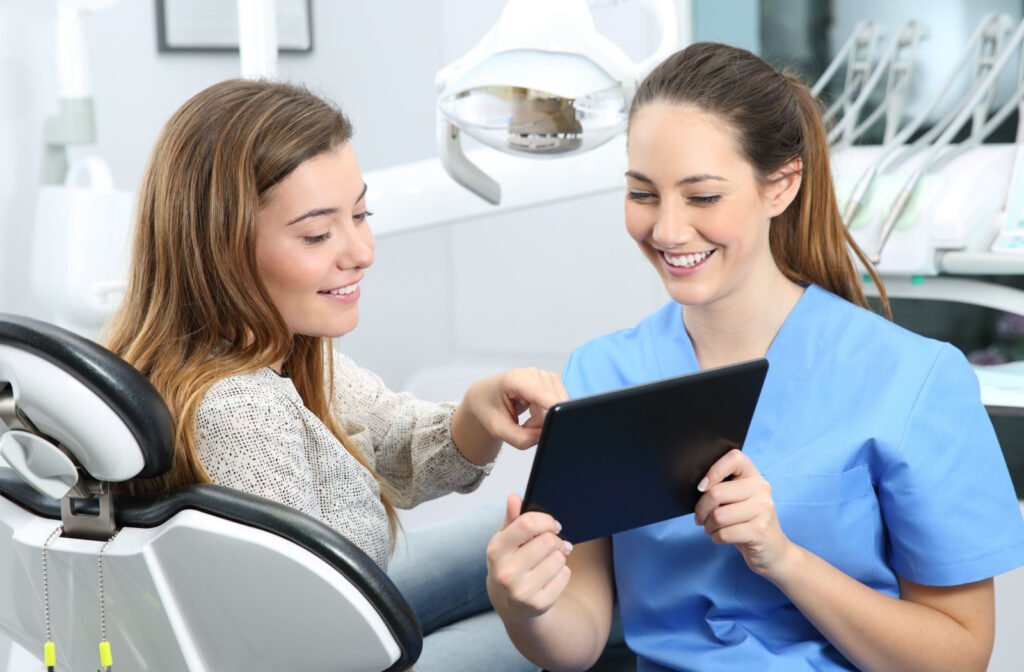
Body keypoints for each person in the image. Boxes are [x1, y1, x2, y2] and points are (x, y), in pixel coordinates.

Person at [485, 42, 1024, 671]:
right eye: (643, 193)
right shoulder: (601, 375)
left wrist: (784, 559)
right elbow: (577, 641)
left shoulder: (915, 378)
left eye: (703, 197)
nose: (667, 231)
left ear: (781, 185)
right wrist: (525, 606)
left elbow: (958, 657)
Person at [104, 78, 561, 671]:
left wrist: (476, 413)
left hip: (329, 623)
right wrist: (536, 626)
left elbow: (391, 440)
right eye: (319, 234)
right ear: (220, 248)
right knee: (567, 622)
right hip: (329, 654)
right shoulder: (241, 408)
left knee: (545, 532)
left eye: (361, 214)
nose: (362, 250)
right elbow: (306, 646)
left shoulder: (263, 350)